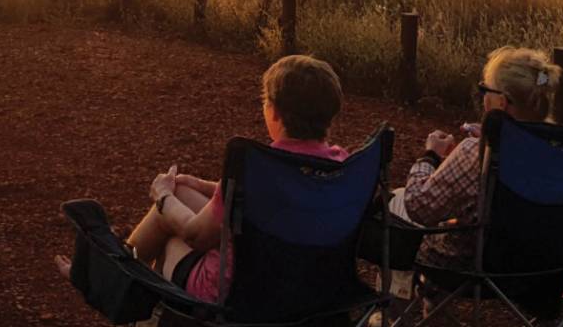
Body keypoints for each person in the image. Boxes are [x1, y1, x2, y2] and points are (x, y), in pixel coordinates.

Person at [53, 55, 348, 302]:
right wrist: (198, 186)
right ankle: (111, 272)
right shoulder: (341, 165)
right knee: (181, 188)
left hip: (243, 294)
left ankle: (107, 280)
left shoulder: (254, 169)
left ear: (274, 112)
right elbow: (276, 195)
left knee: (171, 230)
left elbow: (197, 235)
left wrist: (163, 197)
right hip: (316, 286)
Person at [391, 47, 562, 269]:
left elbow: (420, 207)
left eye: (485, 90)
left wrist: (430, 155)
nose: (483, 98)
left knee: (396, 201)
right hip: (535, 263)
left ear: (501, 102)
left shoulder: (474, 152)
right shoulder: (558, 149)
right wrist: (490, 137)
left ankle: (397, 301)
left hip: (469, 262)